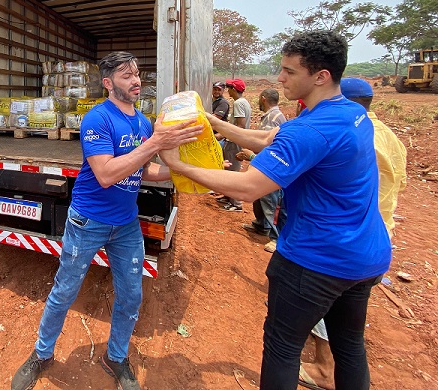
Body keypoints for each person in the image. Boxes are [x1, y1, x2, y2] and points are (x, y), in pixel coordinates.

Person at [160, 30, 392, 389]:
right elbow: (269, 139)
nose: (279, 78)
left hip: (316, 260)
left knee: (283, 348)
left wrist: (181, 166)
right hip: (365, 255)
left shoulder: (310, 130)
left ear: (320, 76)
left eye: (289, 71)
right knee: (349, 346)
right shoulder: (349, 113)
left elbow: (251, 186)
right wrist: (214, 123)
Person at [11, 51, 199, 390]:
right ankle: (41, 353)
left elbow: (145, 171)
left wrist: (189, 172)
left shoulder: (142, 122)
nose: (137, 80)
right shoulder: (97, 119)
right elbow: (106, 174)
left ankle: (116, 356)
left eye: (138, 73)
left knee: (131, 296)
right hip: (88, 221)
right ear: (109, 83)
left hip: (126, 225)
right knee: (65, 291)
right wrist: (155, 142)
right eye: (127, 76)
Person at [300, 77, 407, 390]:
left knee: (323, 306)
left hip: (341, 243)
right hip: (378, 237)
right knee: (350, 335)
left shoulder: (347, 134)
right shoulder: (389, 137)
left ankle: (323, 368)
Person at [238, 88, 287, 252]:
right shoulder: (273, 116)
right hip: (264, 164)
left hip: (270, 167)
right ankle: (260, 225)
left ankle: (276, 237)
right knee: (261, 200)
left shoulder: (272, 118)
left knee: (271, 203)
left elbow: (267, 146)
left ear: (263, 98)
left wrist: (251, 156)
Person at [220, 78, 251, 211]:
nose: (228, 91)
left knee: (233, 172)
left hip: (234, 142)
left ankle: (236, 203)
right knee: (229, 170)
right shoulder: (244, 102)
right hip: (235, 140)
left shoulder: (238, 103)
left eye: (229, 88)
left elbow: (240, 125)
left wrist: (226, 134)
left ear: (234, 89)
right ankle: (228, 197)